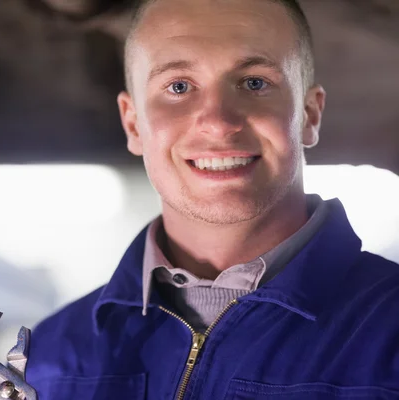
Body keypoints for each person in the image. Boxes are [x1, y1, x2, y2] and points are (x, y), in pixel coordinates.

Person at [26, 0, 399, 398]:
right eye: (179, 87)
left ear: (309, 114)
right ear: (133, 123)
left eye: (255, 82)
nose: (219, 122)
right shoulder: (50, 357)